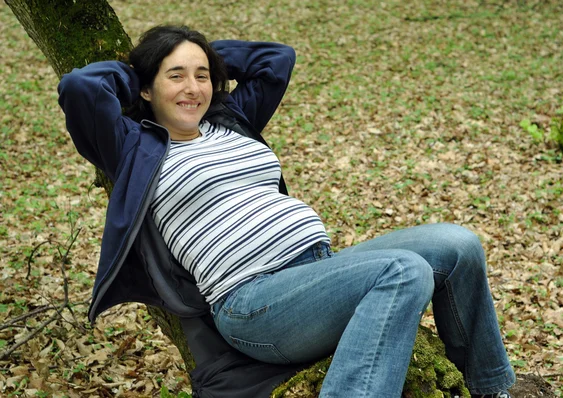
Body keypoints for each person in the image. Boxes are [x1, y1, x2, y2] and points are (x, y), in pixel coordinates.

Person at [58, 25, 515, 398]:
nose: (193, 88)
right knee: (405, 270)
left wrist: (201, 56)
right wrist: (138, 69)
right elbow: (80, 87)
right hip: (253, 303)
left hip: (319, 274)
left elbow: (276, 59)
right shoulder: (131, 145)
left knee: (459, 245)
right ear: (146, 87)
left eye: (202, 75)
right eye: (175, 75)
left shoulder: (229, 119)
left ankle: (491, 388)